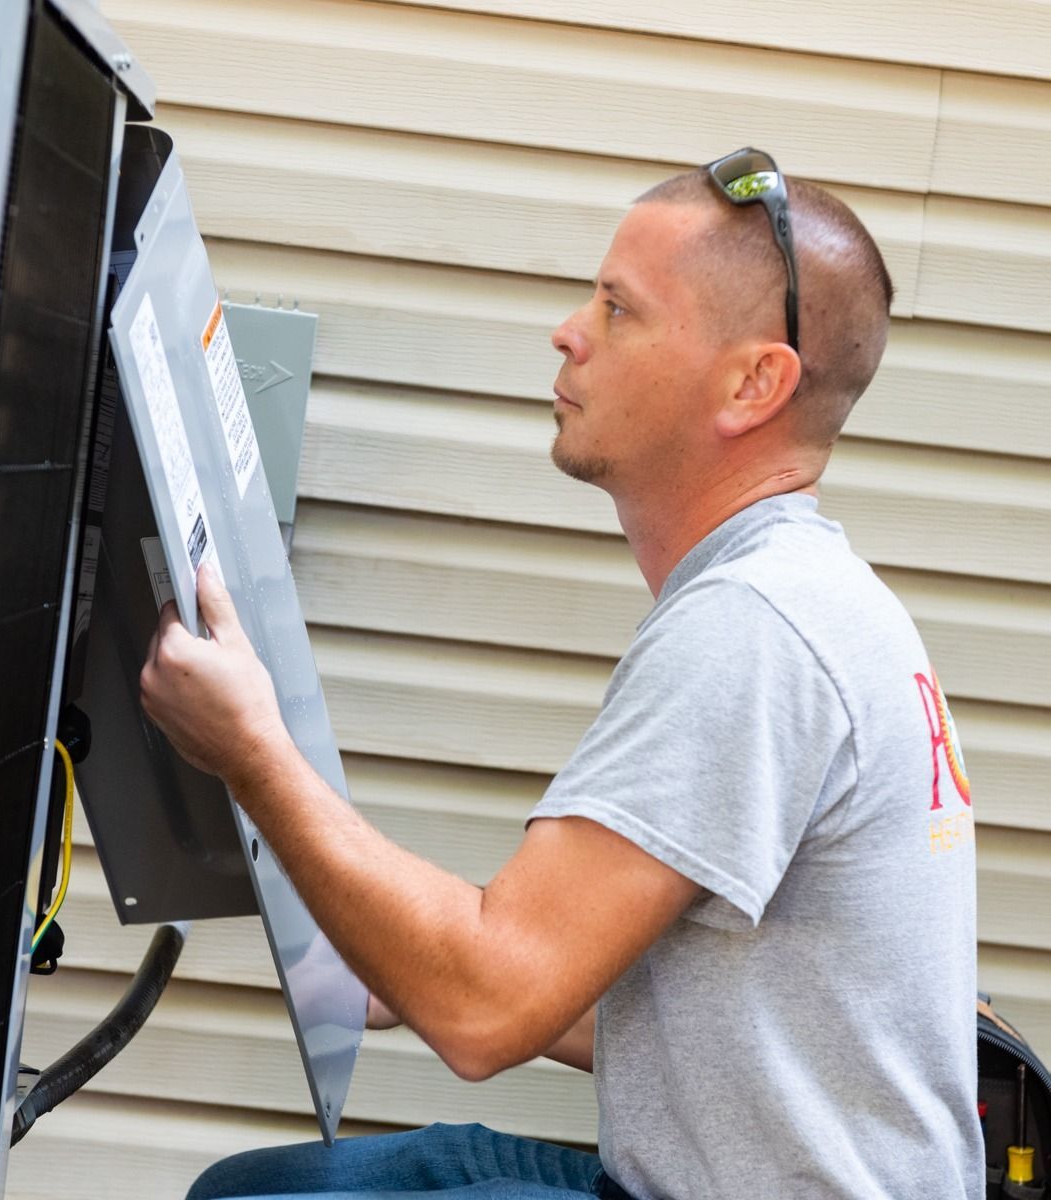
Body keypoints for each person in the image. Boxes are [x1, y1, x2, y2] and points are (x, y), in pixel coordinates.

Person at [140, 149, 983, 1200]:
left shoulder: (758, 628)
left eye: (620, 310)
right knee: (251, 1192)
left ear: (753, 382)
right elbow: (709, 1010)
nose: (569, 330)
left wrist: (256, 757)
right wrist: (408, 971)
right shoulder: (796, 594)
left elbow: (487, 1009)